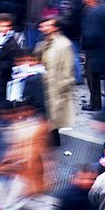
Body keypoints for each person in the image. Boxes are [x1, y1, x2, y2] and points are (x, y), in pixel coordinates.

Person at [34, 16, 74, 146]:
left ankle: (52, 143)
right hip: (45, 83)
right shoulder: (44, 42)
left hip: (56, 86)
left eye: (47, 25)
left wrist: (63, 85)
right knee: (47, 115)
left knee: (53, 115)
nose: (43, 28)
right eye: (42, 25)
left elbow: (67, 69)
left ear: (55, 28)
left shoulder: (64, 45)